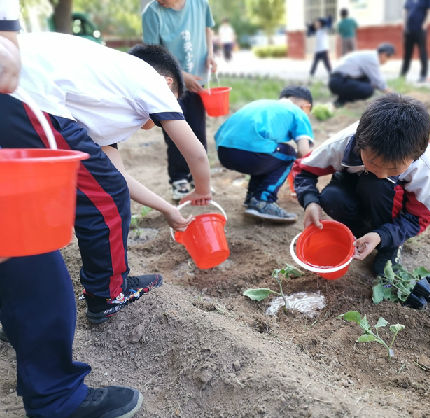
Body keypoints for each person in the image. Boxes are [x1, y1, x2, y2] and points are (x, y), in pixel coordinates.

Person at [2, 33, 212, 324]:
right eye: (173, 102)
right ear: (167, 84)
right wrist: (203, 191)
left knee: (21, 208)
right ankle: (108, 293)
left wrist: (168, 208)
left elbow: (117, 177)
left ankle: (16, 316)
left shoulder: (100, 89)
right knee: (104, 197)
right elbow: (196, 153)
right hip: (24, 94)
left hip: (15, 92)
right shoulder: (149, 79)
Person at [0, 2, 143, 418]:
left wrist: (169, 207)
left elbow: (115, 178)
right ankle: (56, 397)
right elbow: (7, 69)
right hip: (19, 113)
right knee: (32, 261)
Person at [293, 94, 430, 276]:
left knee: (378, 185)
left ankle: (388, 245)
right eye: (374, 163)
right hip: (353, 185)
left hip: (388, 201)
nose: (382, 173)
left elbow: (419, 217)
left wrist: (383, 236)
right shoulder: (343, 143)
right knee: (331, 197)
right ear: (360, 145)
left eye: (394, 169)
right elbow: (303, 169)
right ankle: (358, 232)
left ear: (415, 156)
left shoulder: (422, 166)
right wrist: (310, 201)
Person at [142, 0, 217, 201]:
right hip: (170, 82)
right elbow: (153, 55)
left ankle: (197, 178)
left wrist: (210, 55)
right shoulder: (153, 12)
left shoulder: (200, 4)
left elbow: (207, 29)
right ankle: (179, 179)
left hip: (198, 79)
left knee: (198, 129)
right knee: (175, 130)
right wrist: (181, 75)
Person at [215, 86, 313, 223]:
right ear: (306, 107)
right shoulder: (298, 112)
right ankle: (263, 201)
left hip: (224, 151)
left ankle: (252, 198)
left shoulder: (261, 104)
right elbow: (304, 152)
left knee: (269, 151)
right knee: (287, 154)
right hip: (251, 154)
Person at [328, 43, 394, 108]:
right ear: (384, 54)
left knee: (368, 81)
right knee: (368, 90)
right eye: (388, 58)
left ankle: (342, 99)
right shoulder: (372, 59)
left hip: (339, 80)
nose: (387, 61)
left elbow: (374, 80)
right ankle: (343, 99)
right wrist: (393, 95)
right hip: (337, 81)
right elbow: (378, 81)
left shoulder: (371, 55)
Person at [400, 0, 430, 83]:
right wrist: (404, 25)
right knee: (407, 53)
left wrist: (425, 25)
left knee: (422, 52)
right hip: (409, 30)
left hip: (420, 29)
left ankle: (423, 75)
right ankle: (402, 75)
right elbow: (405, 11)